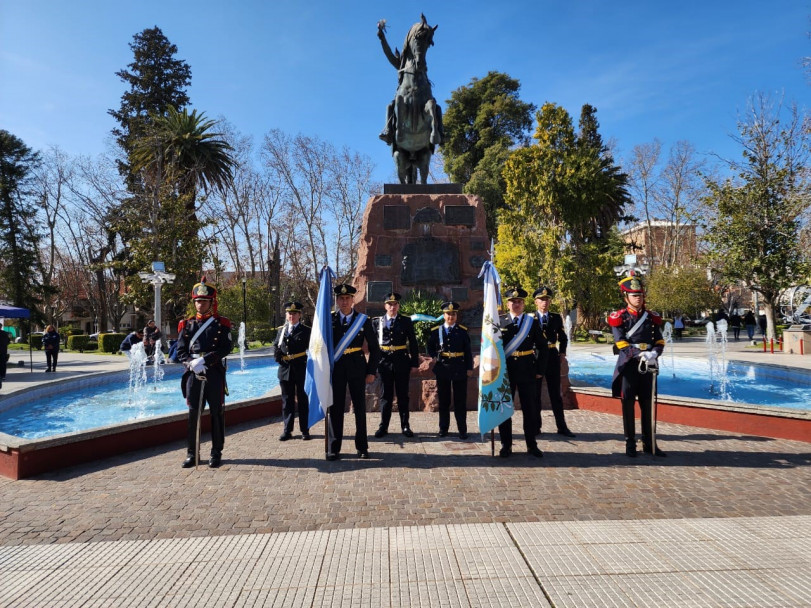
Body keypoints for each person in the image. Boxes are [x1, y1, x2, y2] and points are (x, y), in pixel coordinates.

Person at [176, 277, 233, 469]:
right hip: (193, 373)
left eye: (204, 301)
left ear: (211, 302)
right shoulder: (186, 325)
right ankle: (192, 454)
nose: (200, 304)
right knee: (193, 414)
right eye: (197, 301)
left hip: (213, 373)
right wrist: (191, 362)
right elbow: (180, 351)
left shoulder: (222, 324)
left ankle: (216, 452)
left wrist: (205, 360)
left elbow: (226, 348)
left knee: (216, 413)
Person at [607, 273, 666, 457]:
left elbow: (660, 340)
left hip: (648, 365)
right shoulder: (619, 317)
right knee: (628, 405)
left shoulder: (652, 317)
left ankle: (649, 443)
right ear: (626, 297)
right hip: (629, 366)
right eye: (634, 295)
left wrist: (654, 353)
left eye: (640, 295)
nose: (638, 298)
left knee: (648, 405)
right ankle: (630, 443)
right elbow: (621, 343)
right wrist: (639, 354)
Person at [328, 283, 381, 461]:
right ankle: (333, 448)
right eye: (341, 299)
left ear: (353, 300)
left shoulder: (363, 320)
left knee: (359, 408)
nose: (344, 302)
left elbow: (375, 348)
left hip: (358, 368)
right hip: (336, 368)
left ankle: (362, 447)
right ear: (337, 300)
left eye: (347, 298)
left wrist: (371, 370)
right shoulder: (329, 320)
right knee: (335, 408)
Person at [497, 287, 547, 458]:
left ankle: (531, 444)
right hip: (506, 371)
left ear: (524, 304)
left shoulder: (531, 322)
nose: (516, 304)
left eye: (519, 302)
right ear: (507, 303)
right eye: (513, 301)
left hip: (528, 370)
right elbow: (493, 348)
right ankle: (506, 445)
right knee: (505, 410)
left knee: (530, 409)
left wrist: (540, 369)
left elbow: (542, 346)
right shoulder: (500, 322)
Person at [373, 292, 419, 438]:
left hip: (401, 361)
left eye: (395, 304)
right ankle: (383, 427)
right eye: (389, 304)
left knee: (403, 395)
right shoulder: (377, 322)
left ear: (398, 305)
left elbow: (413, 342)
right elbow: (374, 345)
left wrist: (414, 362)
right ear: (385, 306)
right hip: (384, 362)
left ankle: (405, 426)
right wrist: (373, 364)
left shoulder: (406, 321)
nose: (392, 307)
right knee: (385, 396)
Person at [533, 286, 576, 438]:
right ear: (536, 301)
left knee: (555, 394)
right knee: (535, 394)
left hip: (552, 356)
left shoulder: (555, 317)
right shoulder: (530, 318)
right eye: (542, 299)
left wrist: (562, 353)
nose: (545, 302)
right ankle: (535, 427)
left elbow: (563, 337)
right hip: (536, 357)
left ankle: (562, 426)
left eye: (547, 299)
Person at [427, 301, 474, 439]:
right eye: (448, 314)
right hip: (443, 368)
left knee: (460, 400)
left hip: (459, 368)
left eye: (453, 314)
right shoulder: (437, 331)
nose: (451, 317)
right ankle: (443, 428)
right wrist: (435, 356)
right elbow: (429, 347)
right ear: (444, 315)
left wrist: (469, 368)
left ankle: (462, 429)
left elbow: (468, 351)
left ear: (456, 315)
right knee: (444, 400)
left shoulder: (462, 331)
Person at [275, 301, 311, 441]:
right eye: (289, 313)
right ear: (286, 314)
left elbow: (312, 350)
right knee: (287, 401)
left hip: (301, 369)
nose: (292, 316)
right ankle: (287, 430)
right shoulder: (281, 330)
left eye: (295, 313)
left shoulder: (306, 330)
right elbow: (276, 346)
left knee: (303, 401)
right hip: (285, 370)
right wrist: (279, 358)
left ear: (300, 315)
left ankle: (305, 429)